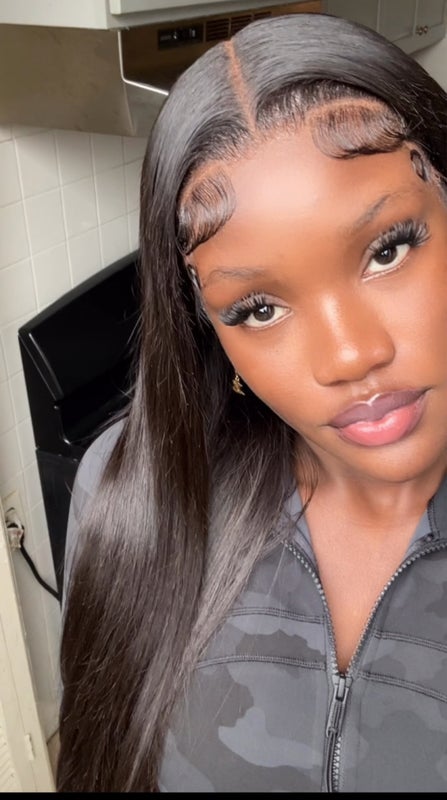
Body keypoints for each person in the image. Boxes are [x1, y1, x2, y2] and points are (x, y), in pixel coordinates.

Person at [56, 10, 447, 793]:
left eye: (387, 249)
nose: (350, 355)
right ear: (210, 332)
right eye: (258, 309)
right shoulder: (138, 494)